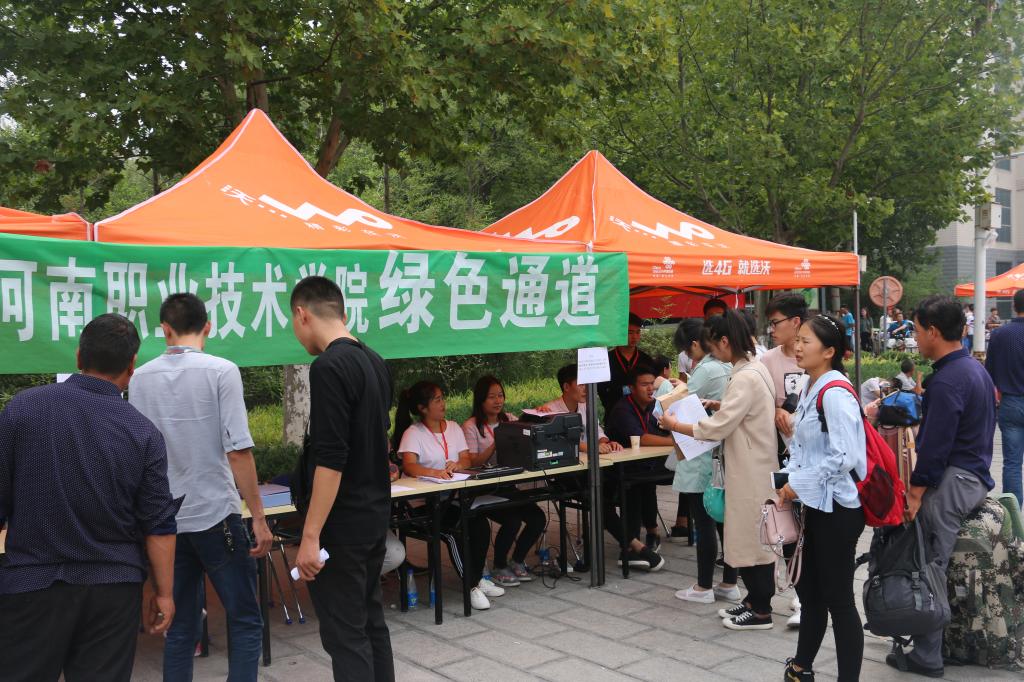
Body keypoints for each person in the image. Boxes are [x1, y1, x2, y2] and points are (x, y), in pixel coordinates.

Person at [0, 313, 179, 682]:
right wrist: (164, 593)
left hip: (33, 584)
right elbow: (159, 526)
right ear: (132, 365)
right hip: (113, 588)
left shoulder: (23, 408)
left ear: (79, 356)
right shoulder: (142, 432)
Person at [129, 293, 271, 681]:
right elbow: (238, 450)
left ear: (165, 330)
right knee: (245, 619)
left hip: (165, 522)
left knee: (180, 627)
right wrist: (259, 518)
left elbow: (138, 456)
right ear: (208, 326)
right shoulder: (222, 371)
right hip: (215, 514)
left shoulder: (140, 378)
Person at [289, 276, 395, 680]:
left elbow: (331, 459)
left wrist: (310, 535)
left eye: (293, 322)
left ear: (303, 314)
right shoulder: (374, 360)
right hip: (373, 516)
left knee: (346, 635)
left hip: (342, 525)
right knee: (370, 623)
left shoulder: (329, 367)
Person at [885, 295, 995, 677]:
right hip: (974, 476)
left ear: (933, 331)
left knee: (930, 566)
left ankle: (928, 656)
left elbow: (935, 446)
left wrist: (916, 493)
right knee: (939, 565)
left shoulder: (947, 380)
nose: (915, 338)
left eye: (916, 331)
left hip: (953, 482)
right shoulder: (973, 369)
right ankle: (947, 644)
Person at [660, 311, 779, 630]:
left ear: (725, 341)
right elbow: (737, 412)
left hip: (749, 470)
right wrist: (717, 405)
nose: (712, 353)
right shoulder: (752, 368)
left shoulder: (745, 376)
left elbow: (718, 428)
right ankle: (754, 601)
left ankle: (761, 610)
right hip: (753, 465)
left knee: (750, 540)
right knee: (748, 537)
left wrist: (676, 425)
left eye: (713, 346)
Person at [778, 315, 867, 682]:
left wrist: (797, 483)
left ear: (829, 351)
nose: (798, 347)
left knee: (839, 600)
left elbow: (847, 456)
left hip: (837, 510)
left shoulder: (835, 393)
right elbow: (808, 448)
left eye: (806, 341)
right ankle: (801, 668)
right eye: (797, 339)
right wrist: (787, 479)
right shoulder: (811, 386)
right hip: (813, 506)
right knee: (811, 594)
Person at [395, 381, 504, 610]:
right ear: (422, 408)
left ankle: (477, 579)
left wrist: (458, 465)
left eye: (442, 398)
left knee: (480, 525)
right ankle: (470, 587)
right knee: (454, 533)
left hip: (450, 498)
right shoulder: (413, 433)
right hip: (423, 504)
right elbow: (410, 466)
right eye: (437, 400)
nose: (443, 403)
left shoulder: (453, 427)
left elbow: (466, 459)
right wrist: (433, 472)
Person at [669, 318, 739, 604]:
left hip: (700, 452)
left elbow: (679, 404)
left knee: (704, 520)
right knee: (724, 519)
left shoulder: (706, 369)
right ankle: (729, 583)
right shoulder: (728, 366)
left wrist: (664, 387)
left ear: (696, 344)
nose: (689, 357)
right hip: (723, 453)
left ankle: (703, 587)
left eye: (688, 351)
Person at [462, 376, 545, 586]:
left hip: (507, 484)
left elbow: (527, 437)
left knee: (538, 518)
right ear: (481, 400)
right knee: (512, 520)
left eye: (500, 395)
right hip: (483, 488)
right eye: (491, 397)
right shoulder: (471, 426)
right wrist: (495, 443)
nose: (497, 401)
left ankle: (517, 560)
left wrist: (537, 418)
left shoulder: (509, 419)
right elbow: (472, 462)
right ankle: (499, 566)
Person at [761, 292, 810, 628]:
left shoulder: (817, 358)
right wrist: (775, 410)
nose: (772, 329)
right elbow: (759, 404)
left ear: (795, 322)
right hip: (783, 457)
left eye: (776, 322)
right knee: (789, 526)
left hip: (812, 460)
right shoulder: (767, 361)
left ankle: (807, 597)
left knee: (812, 528)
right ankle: (800, 592)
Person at [604, 366, 672, 570]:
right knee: (636, 483)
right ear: (631, 388)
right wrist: (674, 441)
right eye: (644, 385)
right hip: (617, 469)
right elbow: (642, 438)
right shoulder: (622, 409)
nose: (650, 388)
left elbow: (662, 429)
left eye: (652, 384)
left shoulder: (654, 406)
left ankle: (659, 531)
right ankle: (633, 544)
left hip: (645, 464)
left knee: (687, 472)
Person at [985, 289, 1024, 507]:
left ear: (1014, 306)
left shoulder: (1000, 335)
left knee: (1012, 463)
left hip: (1011, 402)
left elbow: (989, 372)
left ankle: (1014, 512)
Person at [538, 364, 623, 455]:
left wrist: (606, 444)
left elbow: (597, 432)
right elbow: (559, 441)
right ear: (566, 387)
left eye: (587, 384)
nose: (586, 389)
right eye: (581, 384)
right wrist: (592, 448)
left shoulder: (586, 406)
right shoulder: (548, 411)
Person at [597, 312, 654, 420]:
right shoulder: (605, 360)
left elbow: (652, 389)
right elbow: (603, 391)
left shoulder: (646, 360)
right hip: (614, 416)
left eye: (638, 332)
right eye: (630, 332)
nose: (635, 337)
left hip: (643, 417)